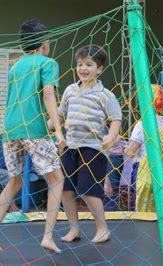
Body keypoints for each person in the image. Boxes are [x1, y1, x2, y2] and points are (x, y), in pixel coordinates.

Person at [0, 19, 65, 253]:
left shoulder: (15, 67)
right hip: (33, 129)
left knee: (14, 181)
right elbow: (49, 95)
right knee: (57, 179)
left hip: (10, 130)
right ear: (45, 44)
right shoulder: (48, 63)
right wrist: (58, 130)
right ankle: (48, 237)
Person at [54, 44, 122, 243]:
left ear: (99, 69)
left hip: (93, 147)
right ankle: (74, 229)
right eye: (80, 64)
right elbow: (59, 115)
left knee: (87, 188)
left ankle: (102, 228)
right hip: (70, 146)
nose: (83, 68)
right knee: (66, 189)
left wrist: (111, 135)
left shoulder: (105, 95)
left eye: (89, 64)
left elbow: (116, 118)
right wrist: (45, 127)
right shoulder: (70, 90)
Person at [124, 84, 163, 212]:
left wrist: (123, 146)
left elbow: (131, 151)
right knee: (161, 209)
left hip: (144, 173)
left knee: (142, 209)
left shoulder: (142, 124)